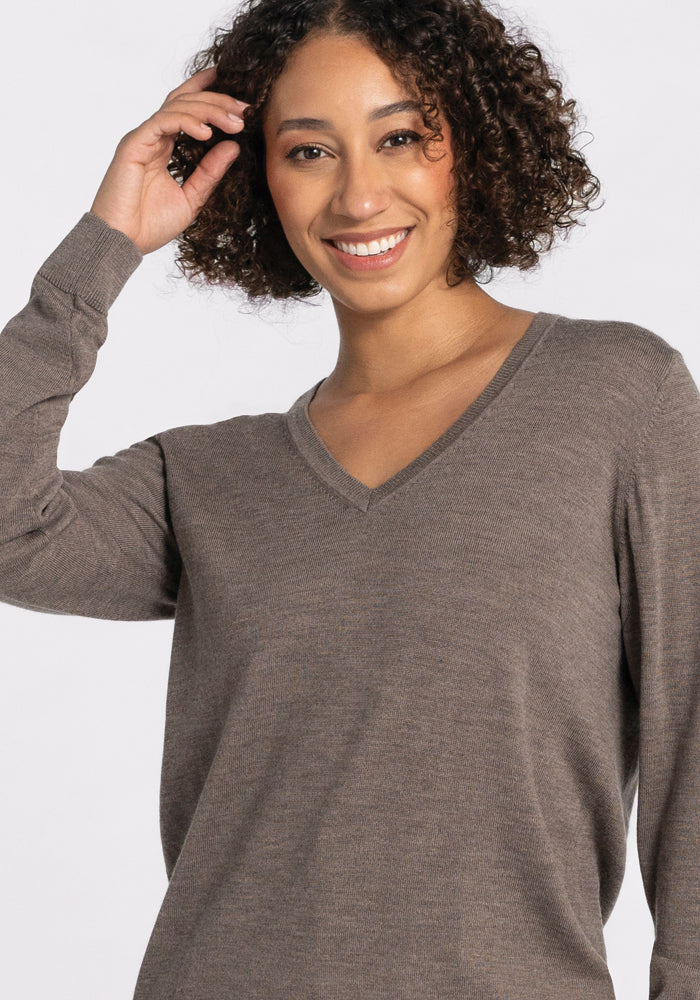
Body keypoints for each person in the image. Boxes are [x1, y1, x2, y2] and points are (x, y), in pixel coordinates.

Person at [0, 0, 698, 997]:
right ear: (257, 178)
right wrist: (105, 242)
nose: (359, 196)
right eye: (309, 151)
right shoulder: (209, 480)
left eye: (402, 137)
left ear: (474, 144)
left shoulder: (617, 397)